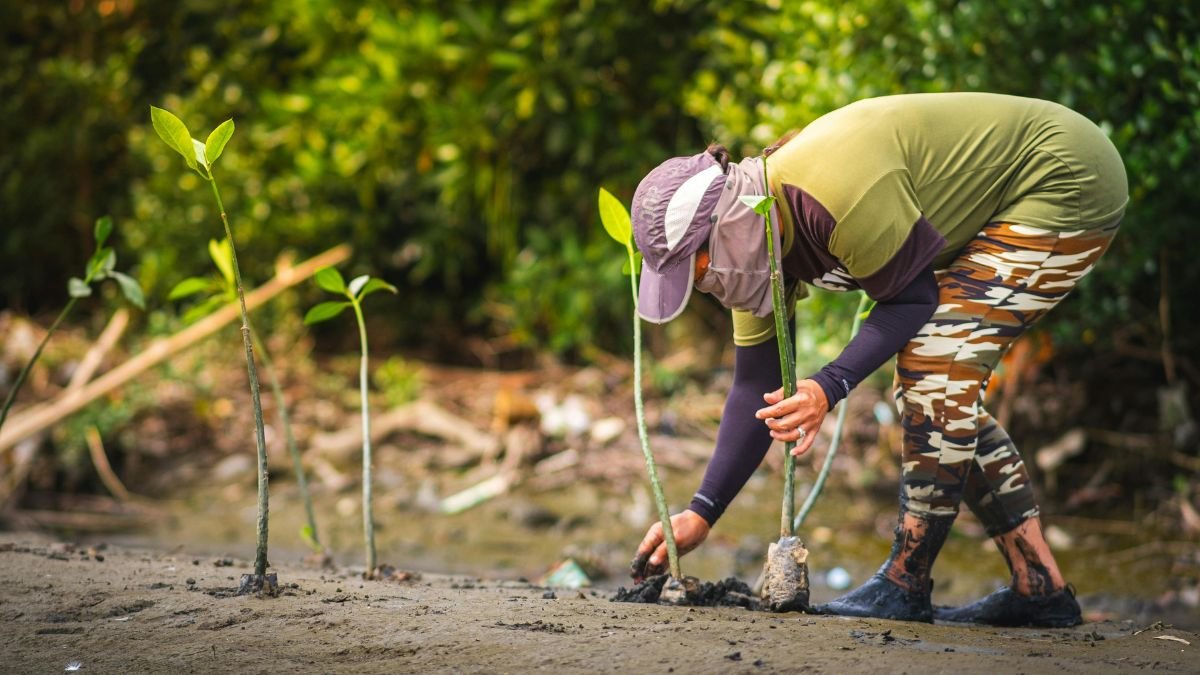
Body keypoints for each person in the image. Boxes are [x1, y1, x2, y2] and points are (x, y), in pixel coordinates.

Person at [627, 92, 1127, 627]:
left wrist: (828, 386)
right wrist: (702, 512)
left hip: (1063, 175)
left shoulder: (830, 192)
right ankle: (1039, 590)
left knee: (935, 368)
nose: (702, 287)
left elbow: (913, 301)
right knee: (935, 382)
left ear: (721, 230)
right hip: (1004, 202)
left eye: (696, 272)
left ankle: (905, 583)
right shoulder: (756, 252)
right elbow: (756, 387)